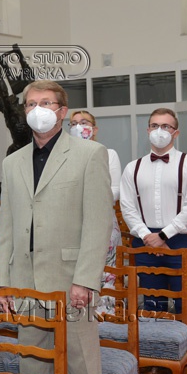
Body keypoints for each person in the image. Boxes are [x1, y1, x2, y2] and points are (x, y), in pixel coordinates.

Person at [0, 81, 111, 374]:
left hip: (70, 281)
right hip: (25, 282)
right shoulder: (13, 162)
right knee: (32, 369)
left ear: (62, 111)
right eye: (31, 104)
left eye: (46, 103)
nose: (37, 109)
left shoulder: (90, 155)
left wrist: (86, 280)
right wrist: (2, 282)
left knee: (82, 370)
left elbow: (98, 223)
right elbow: (6, 226)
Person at [119, 107, 187, 374]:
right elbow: (127, 207)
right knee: (152, 305)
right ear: (147, 130)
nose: (160, 130)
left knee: (186, 306)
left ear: (176, 132)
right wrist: (148, 236)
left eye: (166, 126)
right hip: (144, 241)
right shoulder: (132, 168)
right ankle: (155, 361)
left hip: (180, 239)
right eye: (155, 125)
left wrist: (164, 235)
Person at [69, 110, 123, 314]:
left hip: (102, 221)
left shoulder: (108, 154)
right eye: (73, 123)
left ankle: (104, 318)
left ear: (95, 128)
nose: (79, 127)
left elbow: (115, 190)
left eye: (84, 122)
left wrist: (89, 198)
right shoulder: (64, 156)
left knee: (104, 274)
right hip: (72, 221)